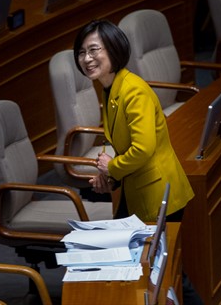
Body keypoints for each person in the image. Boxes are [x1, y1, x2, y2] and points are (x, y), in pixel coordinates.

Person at [73, 19, 203, 305]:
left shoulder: (133, 90)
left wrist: (113, 168)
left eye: (94, 50)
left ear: (114, 49)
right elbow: (118, 140)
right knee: (146, 270)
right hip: (137, 189)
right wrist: (109, 177)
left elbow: (142, 149)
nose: (87, 59)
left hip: (156, 193)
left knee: (163, 273)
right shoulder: (110, 88)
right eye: (81, 52)